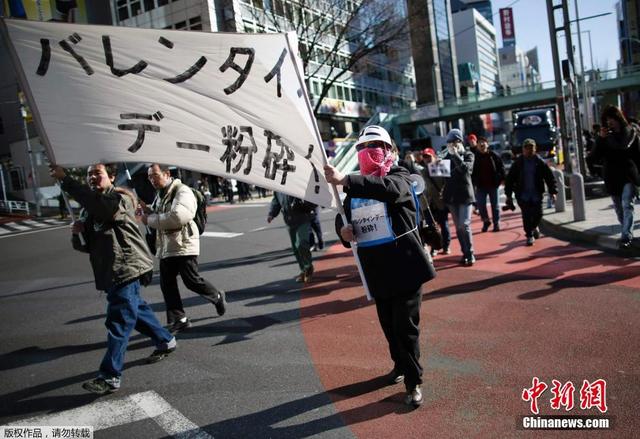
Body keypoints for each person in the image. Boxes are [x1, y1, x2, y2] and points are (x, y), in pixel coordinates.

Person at [324, 125, 436, 408]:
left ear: (390, 151)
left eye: (376, 145)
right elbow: (343, 216)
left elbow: (392, 190)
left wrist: (345, 179)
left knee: (405, 328)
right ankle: (399, 366)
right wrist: (343, 232)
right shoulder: (356, 190)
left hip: (406, 268)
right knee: (388, 326)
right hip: (376, 271)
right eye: (363, 148)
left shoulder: (401, 177)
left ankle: (414, 381)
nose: (369, 152)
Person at [49, 164, 176, 395]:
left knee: (118, 320)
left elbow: (106, 211)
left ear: (111, 177)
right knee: (135, 312)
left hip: (127, 267)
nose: (92, 178)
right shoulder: (88, 209)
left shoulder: (120, 198)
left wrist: (67, 181)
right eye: (89, 175)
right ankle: (165, 340)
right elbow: (86, 246)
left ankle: (109, 376)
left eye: (97, 173)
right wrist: (77, 233)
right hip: (110, 271)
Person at [139, 163, 226, 334]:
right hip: (166, 246)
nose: (152, 179)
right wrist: (148, 211)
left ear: (166, 174)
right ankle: (180, 319)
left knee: (191, 280)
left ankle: (217, 296)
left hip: (184, 245)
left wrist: (149, 219)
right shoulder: (160, 195)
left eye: (155, 175)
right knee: (167, 284)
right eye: (149, 177)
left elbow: (178, 217)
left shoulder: (182, 191)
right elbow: (161, 214)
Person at [591, 105, 640, 249]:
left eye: (612, 119)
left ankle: (626, 236)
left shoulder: (631, 133)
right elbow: (594, 157)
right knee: (619, 209)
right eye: (607, 120)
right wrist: (600, 139)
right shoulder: (604, 137)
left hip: (628, 175)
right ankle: (625, 229)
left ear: (618, 118)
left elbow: (638, 156)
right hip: (612, 177)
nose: (610, 122)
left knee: (627, 204)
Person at [504, 138, 558, 246]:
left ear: (535, 149)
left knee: (538, 214)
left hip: (536, 193)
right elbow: (510, 179)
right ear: (523, 149)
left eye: (531, 148)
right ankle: (529, 235)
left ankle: (533, 227)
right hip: (523, 195)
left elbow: (549, 177)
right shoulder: (518, 163)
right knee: (526, 215)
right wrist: (508, 195)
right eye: (527, 148)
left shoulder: (539, 162)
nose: (529, 150)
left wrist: (553, 191)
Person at [442, 128, 476, 266]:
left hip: (465, 196)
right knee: (458, 227)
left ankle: (470, 253)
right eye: (449, 142)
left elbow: (465, 170)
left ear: (460, 141)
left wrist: (455, 155)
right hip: (451, 197)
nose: (451, 144)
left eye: (454, 141)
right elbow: (442, 176)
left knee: (464, 224)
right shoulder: (446, 157)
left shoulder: (468, 154)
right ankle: (464, 253)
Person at [267, 192, 316, 282]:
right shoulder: (278, 185)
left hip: (302, 218)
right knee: (295, 249)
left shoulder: (292, 179)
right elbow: (276, 200)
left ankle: (308, 268)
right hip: (289, 221)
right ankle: (303, 270)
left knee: (302, 244)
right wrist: (271, 214)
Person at [421, 148, 451, 256]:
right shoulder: (423, 171)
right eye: (425, 157)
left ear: (434, 156)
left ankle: (446, 245)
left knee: (444, 225)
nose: (427, 159)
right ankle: (435, 246)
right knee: (431, 227)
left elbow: (448, 183)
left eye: (429, 156)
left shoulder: (440, 166)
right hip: (428, 203)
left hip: (441, 201)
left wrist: (444, 193)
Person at [472, 136, 505, 232]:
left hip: (493, 185)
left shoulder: (493, 155)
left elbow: (501, 167)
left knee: (495, 206)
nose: (481, 144)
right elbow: (471, 171)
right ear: (477, 146)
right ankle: (486, 221)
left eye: (483, 142)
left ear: (487, 144)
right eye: (479, 143)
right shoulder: (474, 157)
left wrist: (502, 178)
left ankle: (496, 223)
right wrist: (473, 181)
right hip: (480, 186)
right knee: (481, 205)